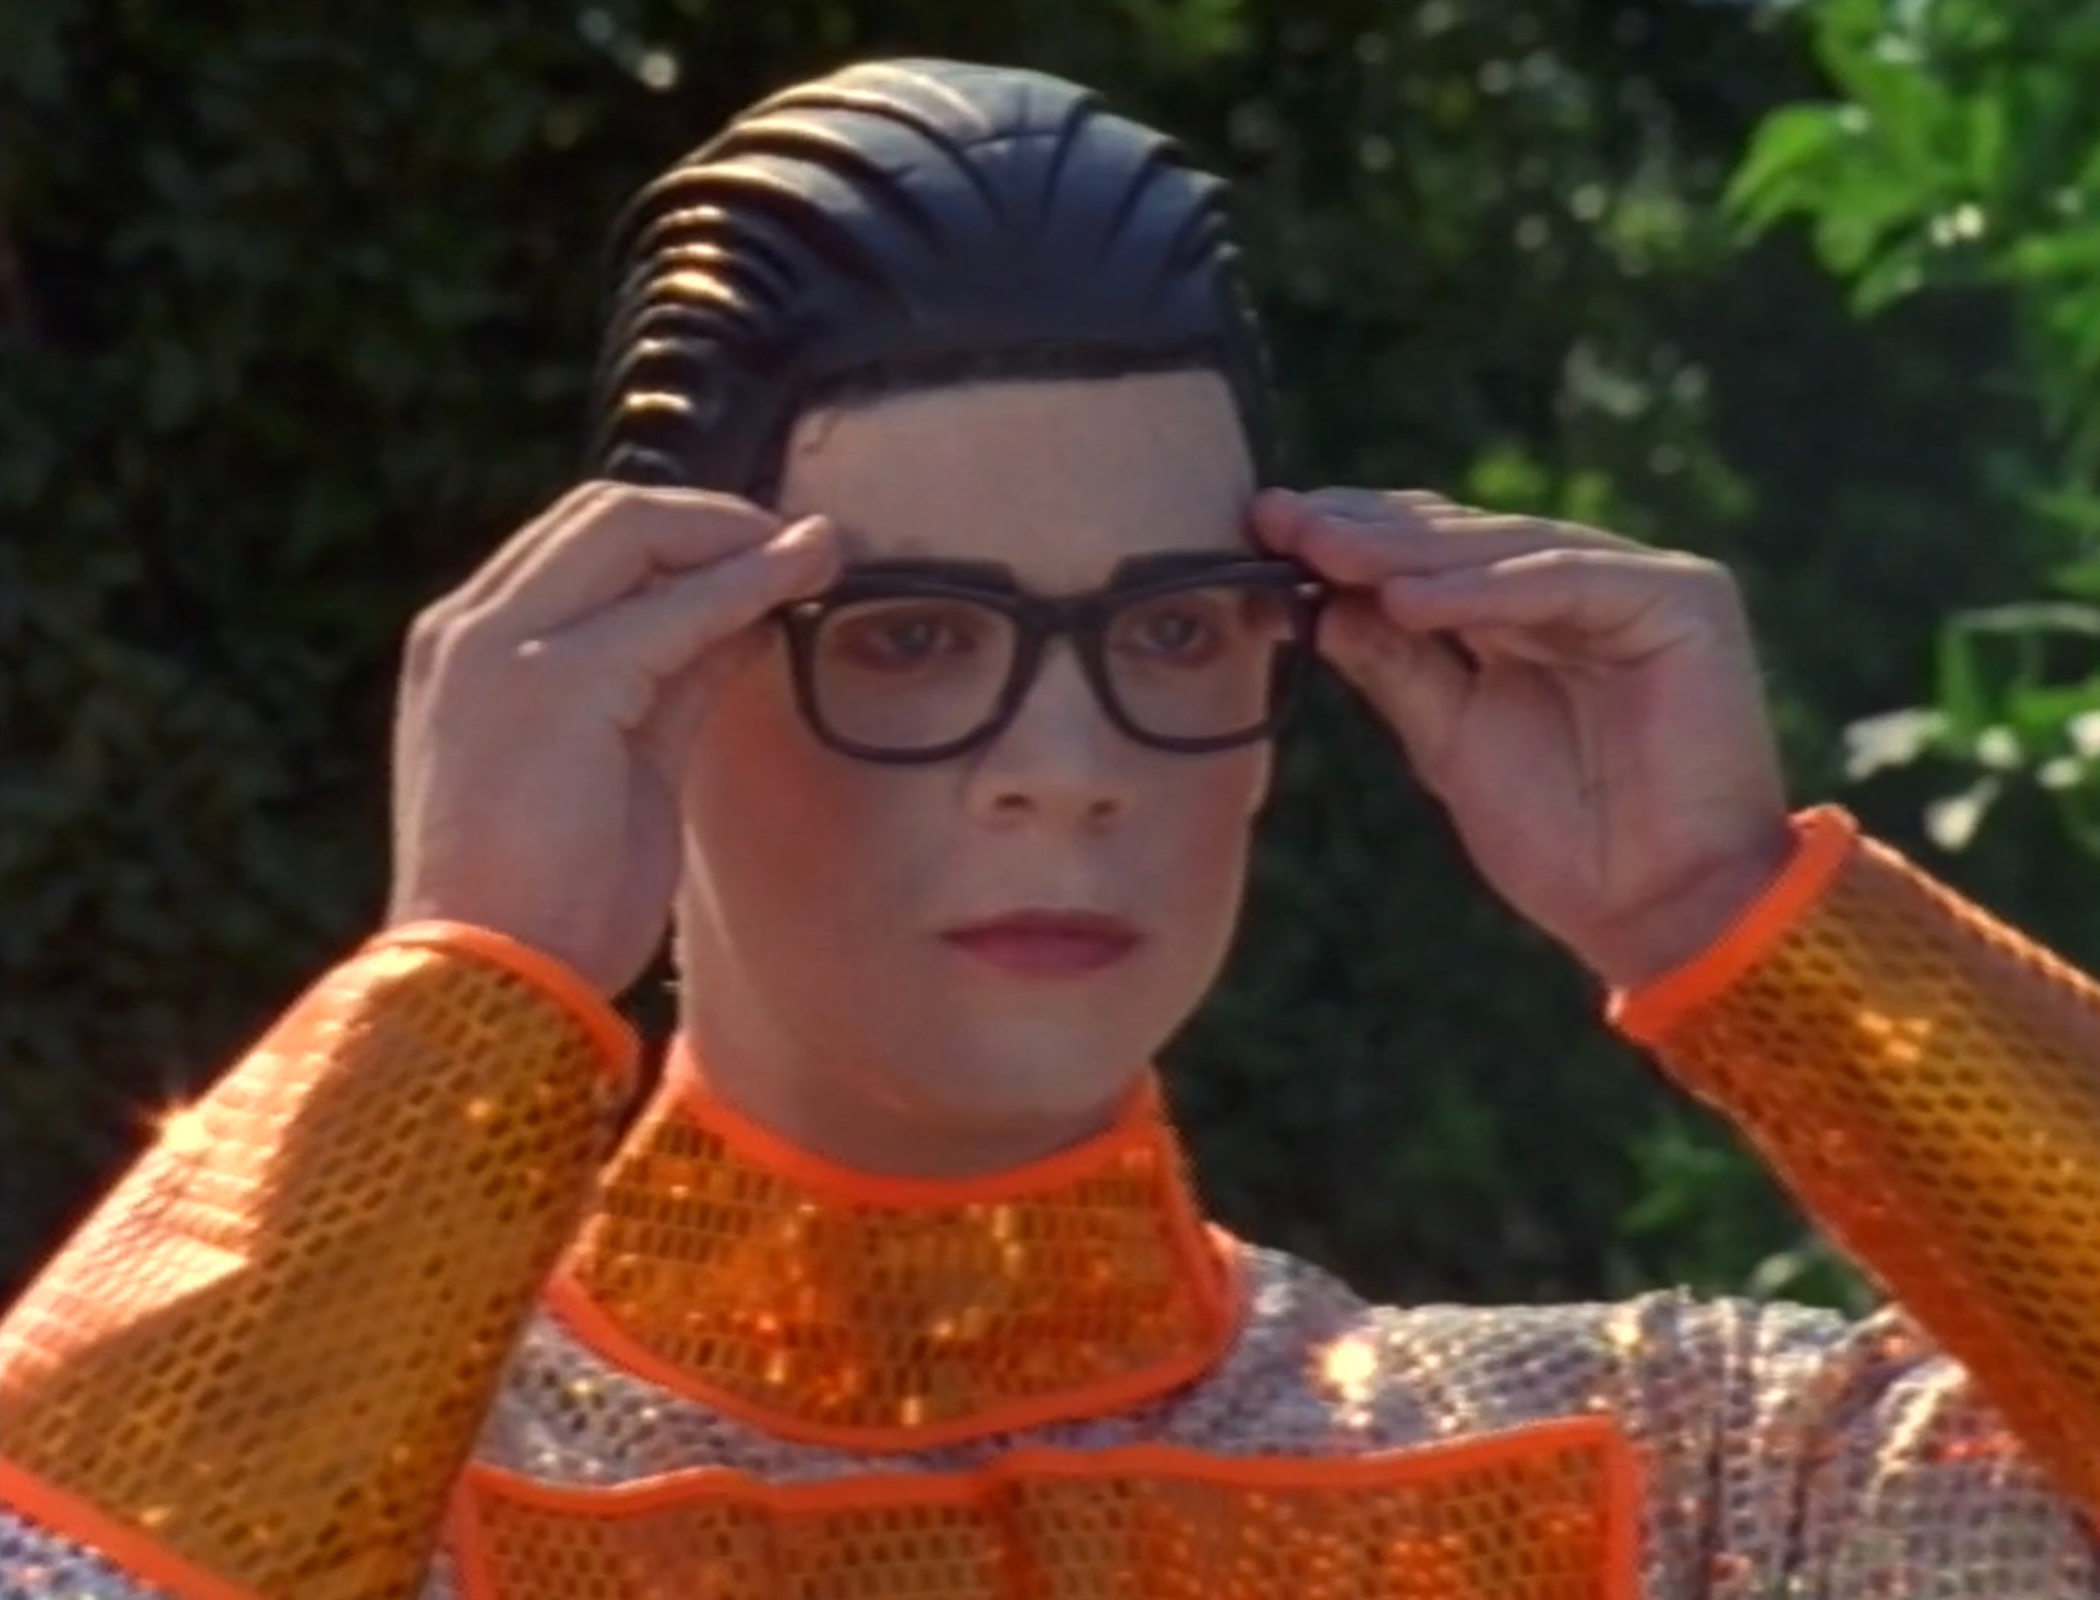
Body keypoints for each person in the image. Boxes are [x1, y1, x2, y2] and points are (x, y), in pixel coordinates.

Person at [3, 54, 2099, 1600]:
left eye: (1174, 628)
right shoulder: (393, 1500)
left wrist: (1739, 914)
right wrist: (464, 987)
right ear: (649, 679)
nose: (1067, 759)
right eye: (913, 636)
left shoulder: (1658, 1477)